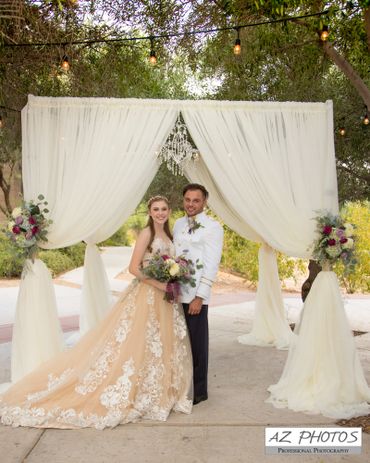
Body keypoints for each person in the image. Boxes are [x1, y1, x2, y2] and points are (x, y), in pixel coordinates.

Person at [0, 196, 193, 429]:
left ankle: (157, 391)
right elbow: (134, 268)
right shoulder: (147, 235)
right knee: (138, 344)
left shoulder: (168, 236)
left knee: (159, 344)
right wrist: (160, 284)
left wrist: (173, 277)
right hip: (148, 296)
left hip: (165, 299)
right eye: (156, 209)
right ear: (149, 212)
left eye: (164, 209)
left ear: (169, 211)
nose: (160, 213)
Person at [173, 184, 223, 405]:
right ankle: (179, 386)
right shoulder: (177, 224)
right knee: (177, 341)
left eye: (196, 200)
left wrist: (200, 297)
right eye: (187, 199)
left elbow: (211, 264)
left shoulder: (213, 227)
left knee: (197, 344)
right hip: (175, 292)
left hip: (195, 295)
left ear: (204, 202)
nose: (191, 204)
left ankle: (200, 391)